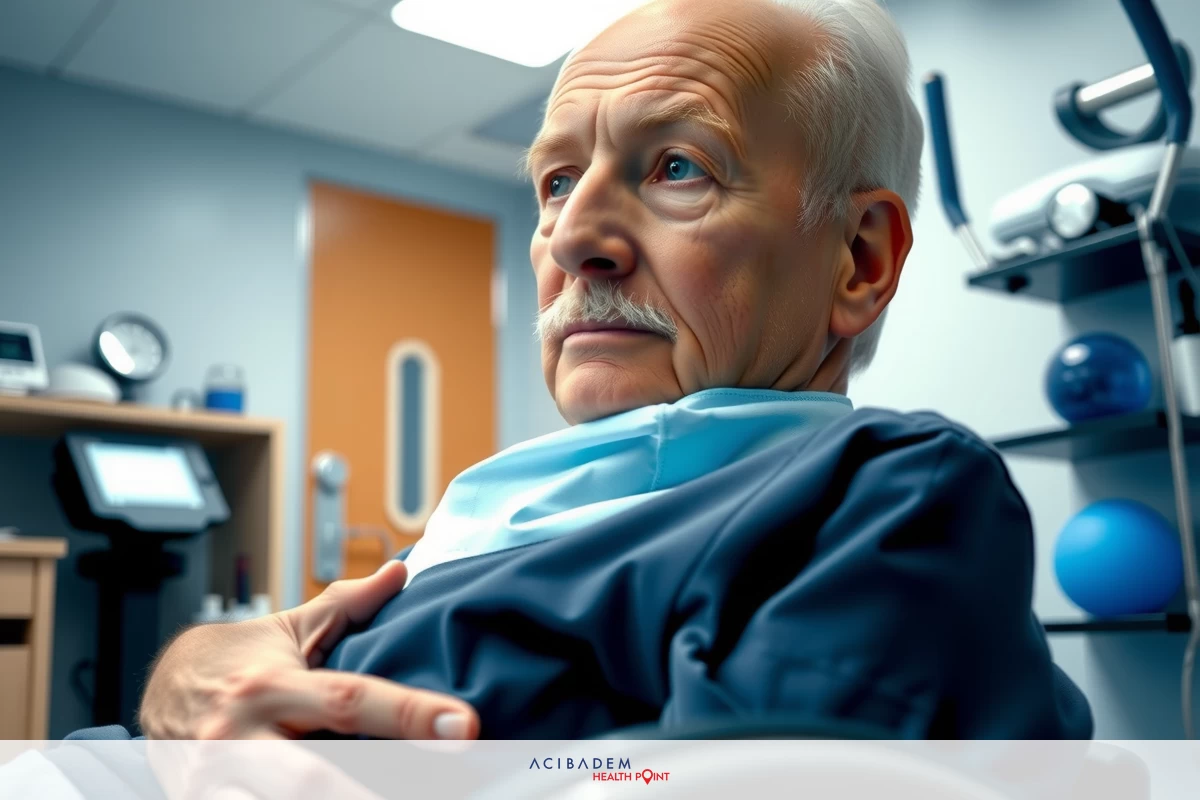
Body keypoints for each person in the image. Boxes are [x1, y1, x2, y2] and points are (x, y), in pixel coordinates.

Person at [130, 0, 1091, 741]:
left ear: (859, 261)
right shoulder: (514, 518)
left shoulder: (879, 495)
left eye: (677, 166)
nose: (573, 236)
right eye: (556, 181)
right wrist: (192, 671)